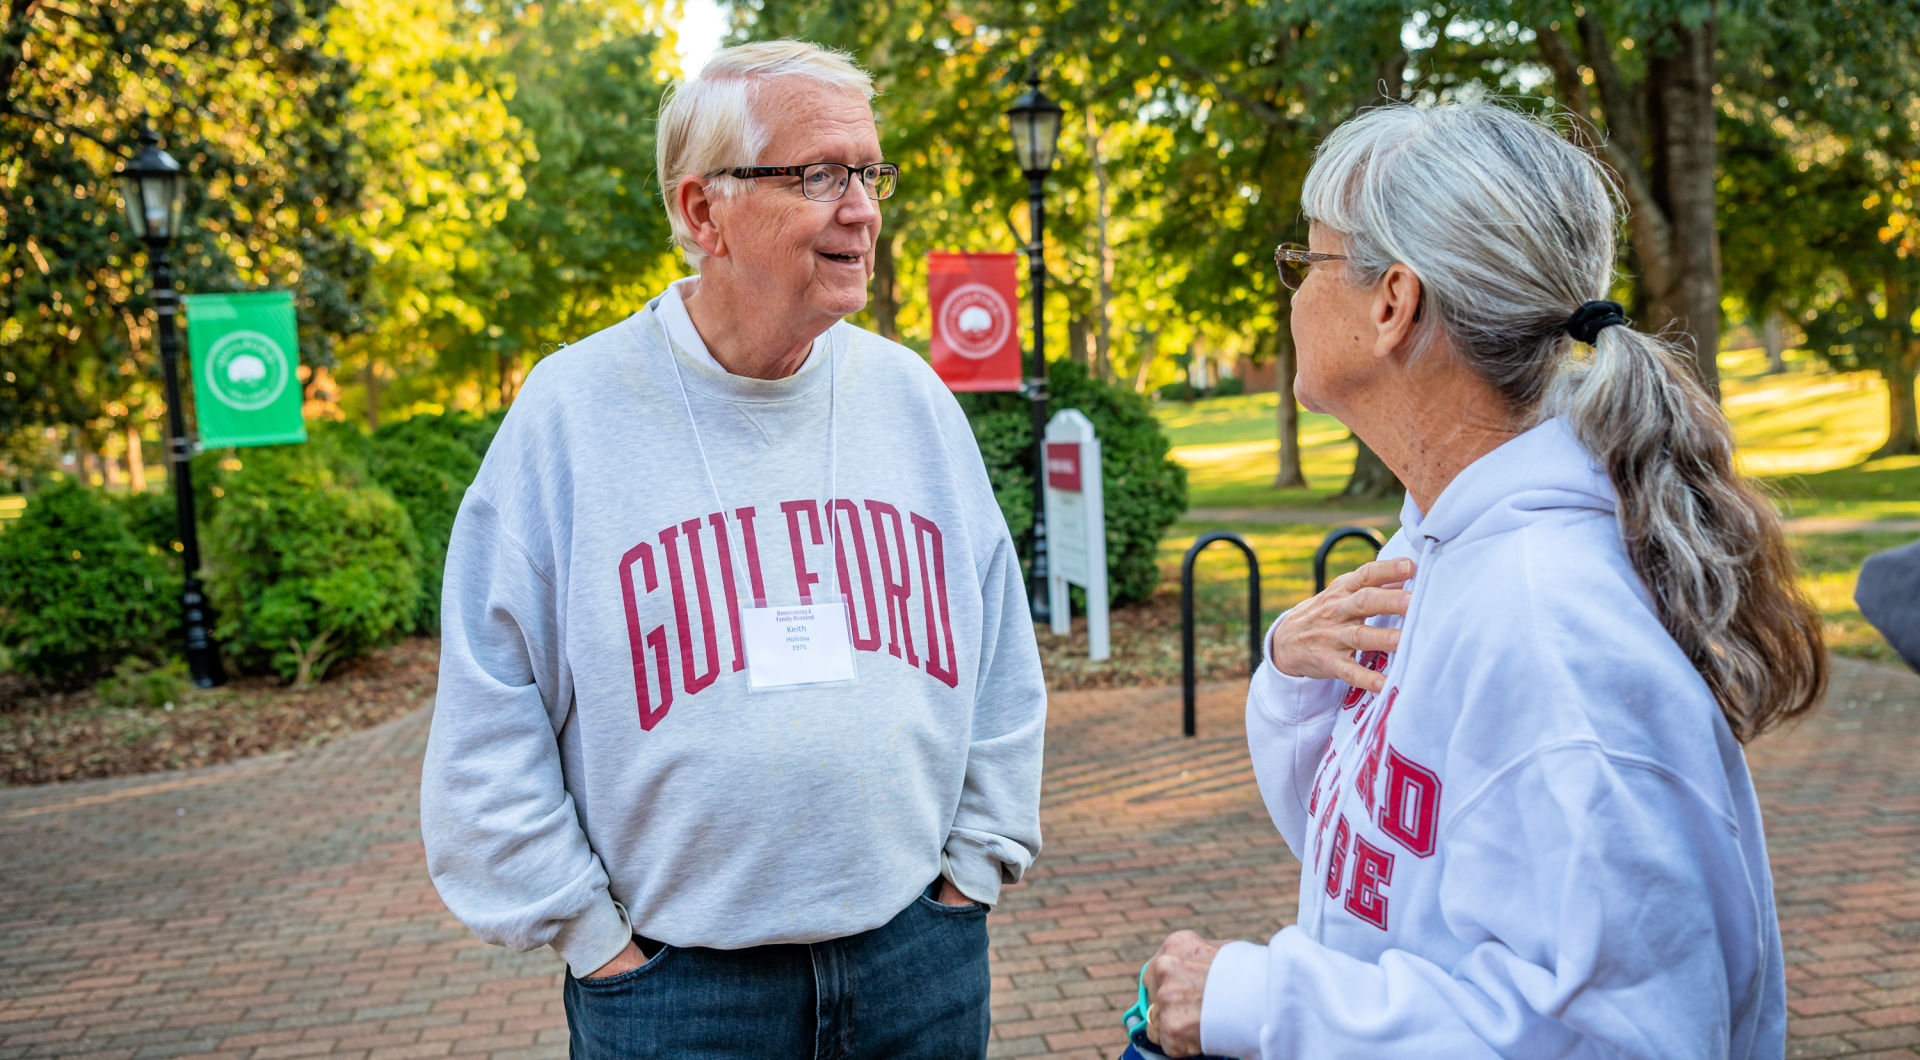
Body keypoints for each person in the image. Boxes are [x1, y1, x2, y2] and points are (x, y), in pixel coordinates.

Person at [1134, 101, 1827, 1059]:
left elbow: (1620, 1037)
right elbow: (1388, 865)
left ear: (1394, 304)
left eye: (1309, 261)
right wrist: (1297, 685)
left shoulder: (1553, 629)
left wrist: (1260, 1000)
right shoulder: (1438, 543)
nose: (1290, 292)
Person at [419, 41, 1046, 1059]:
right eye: (817, 175)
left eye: (870, 171)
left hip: (917, 964)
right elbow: (490, 712)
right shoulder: (571, 414)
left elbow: (1003, 665)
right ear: (704, 211)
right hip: (679, 997)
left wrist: (971, 874)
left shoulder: (912, 401)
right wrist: (593, 937)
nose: (862, 207)